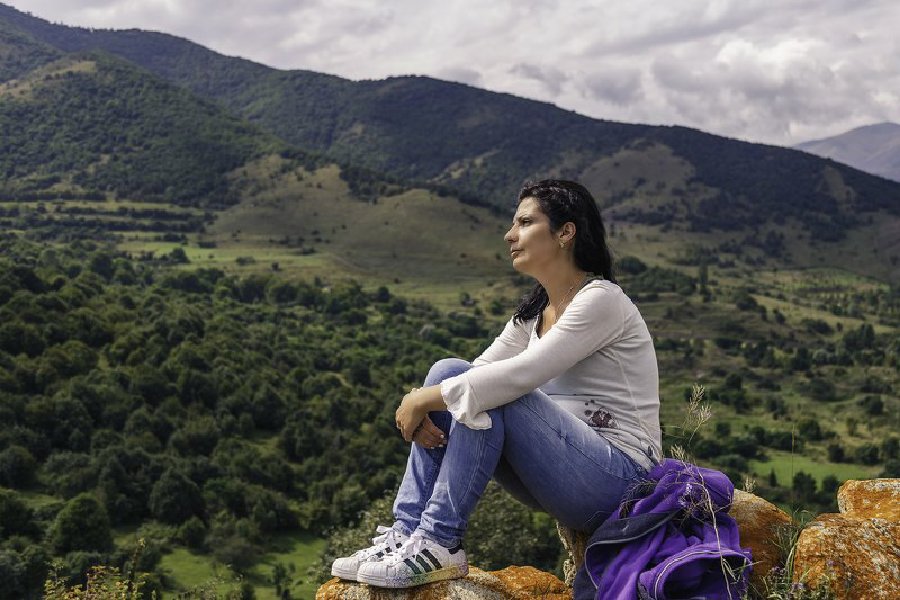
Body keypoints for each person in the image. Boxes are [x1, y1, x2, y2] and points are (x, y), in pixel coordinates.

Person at [332, 179, 661, 589]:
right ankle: (407, 531)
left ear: (565, 232)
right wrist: (430, 395)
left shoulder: (602, 300)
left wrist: (422, 399)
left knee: (483, 390)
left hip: (620, 480)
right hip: (560, 474)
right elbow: (473, 372)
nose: (510, 234)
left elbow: (520, 376)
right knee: (448, 369)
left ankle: (440, 540)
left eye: (525, 222)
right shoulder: (535, 312)